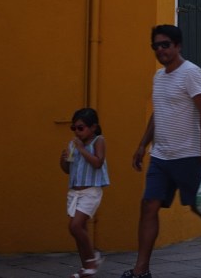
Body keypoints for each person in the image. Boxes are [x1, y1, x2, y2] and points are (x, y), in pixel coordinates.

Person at [126, 25, 201, 278]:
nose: (160, 50)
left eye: (165, 45)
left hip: (188, 155)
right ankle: (141, 269)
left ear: (178, 46)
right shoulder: (159, 77)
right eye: (156, 46)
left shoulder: (191, 73)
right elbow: (159, 112)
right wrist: (142, 145)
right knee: (149, 205)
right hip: (160, 156)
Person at [61, 107, 109, 278]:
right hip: (74, 192)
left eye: (80, 128)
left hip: (91, 191)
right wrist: (63, 159)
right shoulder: (73, 144)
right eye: (73, 128)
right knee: (79, 229)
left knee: (74, 226)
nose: (77, 131)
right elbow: (67, 169)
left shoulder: (98, 141)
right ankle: (87, 266)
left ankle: (92, 260)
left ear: (93, 127)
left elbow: (97, 162)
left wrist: (81, 149)